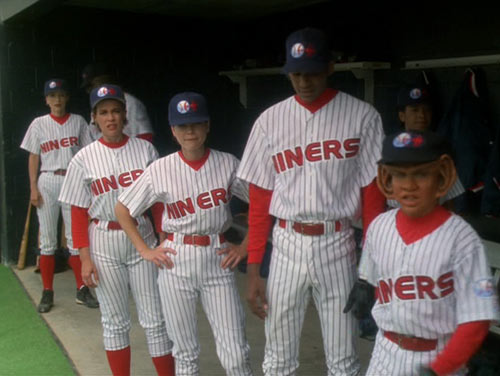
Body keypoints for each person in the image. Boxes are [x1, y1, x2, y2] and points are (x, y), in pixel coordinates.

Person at [236, 27, 386, 375]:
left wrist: (370, 270)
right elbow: (260, 200)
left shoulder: (363, 116)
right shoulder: (269, 121)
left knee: (344, 358)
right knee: (277, 358)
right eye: (296, 73)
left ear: (330, 67)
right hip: (286, 243)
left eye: (312, 71)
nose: (304, 81)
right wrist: (255, 268)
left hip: (339, 242)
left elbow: (373, 196)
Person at [115, 92, 253, 375]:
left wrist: (246, 246)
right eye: (182, 126)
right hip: (176, 259)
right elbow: (122, 209)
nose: (190, 131)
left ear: (207, 126)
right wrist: (145, 249)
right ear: (173, 131)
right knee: (185, 353)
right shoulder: (160, 169)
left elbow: (263, 202)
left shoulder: (228, 163)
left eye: (196, 123)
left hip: (218, 256)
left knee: (236, 353)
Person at [345, 129, 499, 375]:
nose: (409, 186)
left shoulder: (463, 239)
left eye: (421, 174)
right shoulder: (379, 227)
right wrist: (364, 284)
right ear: (388, 179)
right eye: (400, 175)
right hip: (384, 352)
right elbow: (369, 275)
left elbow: (477, 319)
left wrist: (441, 368)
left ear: (440, 177)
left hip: (438, 355)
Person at [58, 84, 174, 376]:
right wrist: (84, 257)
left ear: (125, 115)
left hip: (143, 235)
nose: (110, 118)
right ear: (94, 117)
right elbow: (78, 211)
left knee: (155, 319)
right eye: (104, 112)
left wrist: (163, 234)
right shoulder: (83, 158)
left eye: (116, 111)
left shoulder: (145, 149)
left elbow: (159, 200)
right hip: (103, 239)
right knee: (114, 321)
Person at [20, 78, 97, 313]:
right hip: (48, 179)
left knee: (75, 239)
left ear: (67, 98)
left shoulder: (78, 122)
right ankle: (47, 292)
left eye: (61, 95)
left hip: (72, 179)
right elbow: (33, 156)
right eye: (53, 96)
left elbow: (88, 153)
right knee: (48, 242)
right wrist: (33, 187)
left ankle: (82, 290)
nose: (57, 100)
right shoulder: (38, 123)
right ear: (46, 100)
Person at [388, 85, 465, 209]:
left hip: (434, 223)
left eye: (426, 110)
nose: (422, 115)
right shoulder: (388, 153)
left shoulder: (440, 153)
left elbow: (450, 202)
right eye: (415, 110)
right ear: (402, 115)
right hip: (395, 222)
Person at [80, 62, 154, 142]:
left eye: (91, 85)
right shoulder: (96, 107)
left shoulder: (131, 103)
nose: (89, 90)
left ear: (104, 79)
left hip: (130, 151)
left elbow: (146, 136)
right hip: (103, 152)